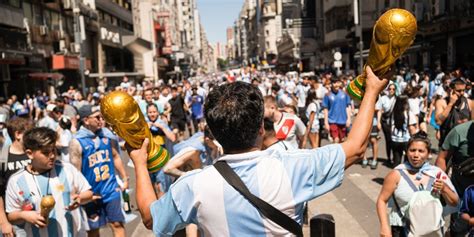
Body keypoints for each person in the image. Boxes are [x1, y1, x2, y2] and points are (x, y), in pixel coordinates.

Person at [126, 66, 390, 235]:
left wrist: (139, 162)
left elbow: (150, 217)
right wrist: (371, 92)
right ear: (261, 129)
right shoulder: (292, 166)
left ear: (214, 134)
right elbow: (356, 148)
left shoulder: (194, 185)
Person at [5, 127, 93, 237]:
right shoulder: (16, 181)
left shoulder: (67, 169)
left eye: (54, 150)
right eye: (46, 153)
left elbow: (88, 193)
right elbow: (11, 215)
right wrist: (25, 215)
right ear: (29, 153)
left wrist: (79, 199)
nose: (52, 156)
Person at [376, 132, 459, 237]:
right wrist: (384, 226)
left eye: (421, 151)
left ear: (428, 153)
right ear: (406, 152)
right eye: (412, 150)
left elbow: (454, 202)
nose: (416, 155)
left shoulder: (436, 174)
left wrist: (444, 189)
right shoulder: (396, 174)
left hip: (431, 231)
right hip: (403, 230)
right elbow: (381, 200)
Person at [69, 105, 128, 237]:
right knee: (93, 230)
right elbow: (75, 172)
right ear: (86, 120)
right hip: (91, 193)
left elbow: (116, 156)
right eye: (97, 117)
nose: (101, 120)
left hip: (110, 188)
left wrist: (125, 178)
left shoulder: (107, 135)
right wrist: (78, 194)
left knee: (117, 224)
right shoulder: (77, 142)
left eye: (102, 117)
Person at [435, 120, 474, 236]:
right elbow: (442, 159)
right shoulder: (459, 132)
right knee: (459, 230)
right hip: (461, 194)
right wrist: (443, 185)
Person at [0, 117, 34, 237]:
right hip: (14, 222)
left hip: (36, 216)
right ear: (18, 134)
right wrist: (4, 223)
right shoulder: (2, 158)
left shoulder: (33, 154)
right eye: (30, 133)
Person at [435, 77, 474, 147]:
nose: (462, 93)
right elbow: (438, 122)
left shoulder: (469, 103)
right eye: (458, 91)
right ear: (451, 90)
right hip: (446, 144)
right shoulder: (441, 102)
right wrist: (450, 104)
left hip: (464, 145)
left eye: (463, 90)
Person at [390, 95, 418, 167]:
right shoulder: (408, 113)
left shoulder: (393, 113)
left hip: (395, 139)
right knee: (407, 162)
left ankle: (396, 175)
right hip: (406, 140)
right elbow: (411, 128)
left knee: (396, 159)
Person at [322, 77, 352, 143]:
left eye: (338, 82)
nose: (336, 85)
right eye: (334, 83)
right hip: (332, 121)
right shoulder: (327, 95)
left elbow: (348, 106)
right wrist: (326, 122)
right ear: (331, 84)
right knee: (336, 139)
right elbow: (325, 109)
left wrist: (349, 119)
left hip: (343, 120)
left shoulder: (345, 94)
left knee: (342, 140)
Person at [377, 84, 397, 164]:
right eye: (390, 89)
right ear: (387, 90)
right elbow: (379, 110)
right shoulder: (383, 98)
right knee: (388, 140)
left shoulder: (397, 99)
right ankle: (389, 157)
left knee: (394, 140)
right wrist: (378, 122)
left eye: (393, 89)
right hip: (385, 122)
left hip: (395, 122)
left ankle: (395, 157)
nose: (391, 90)